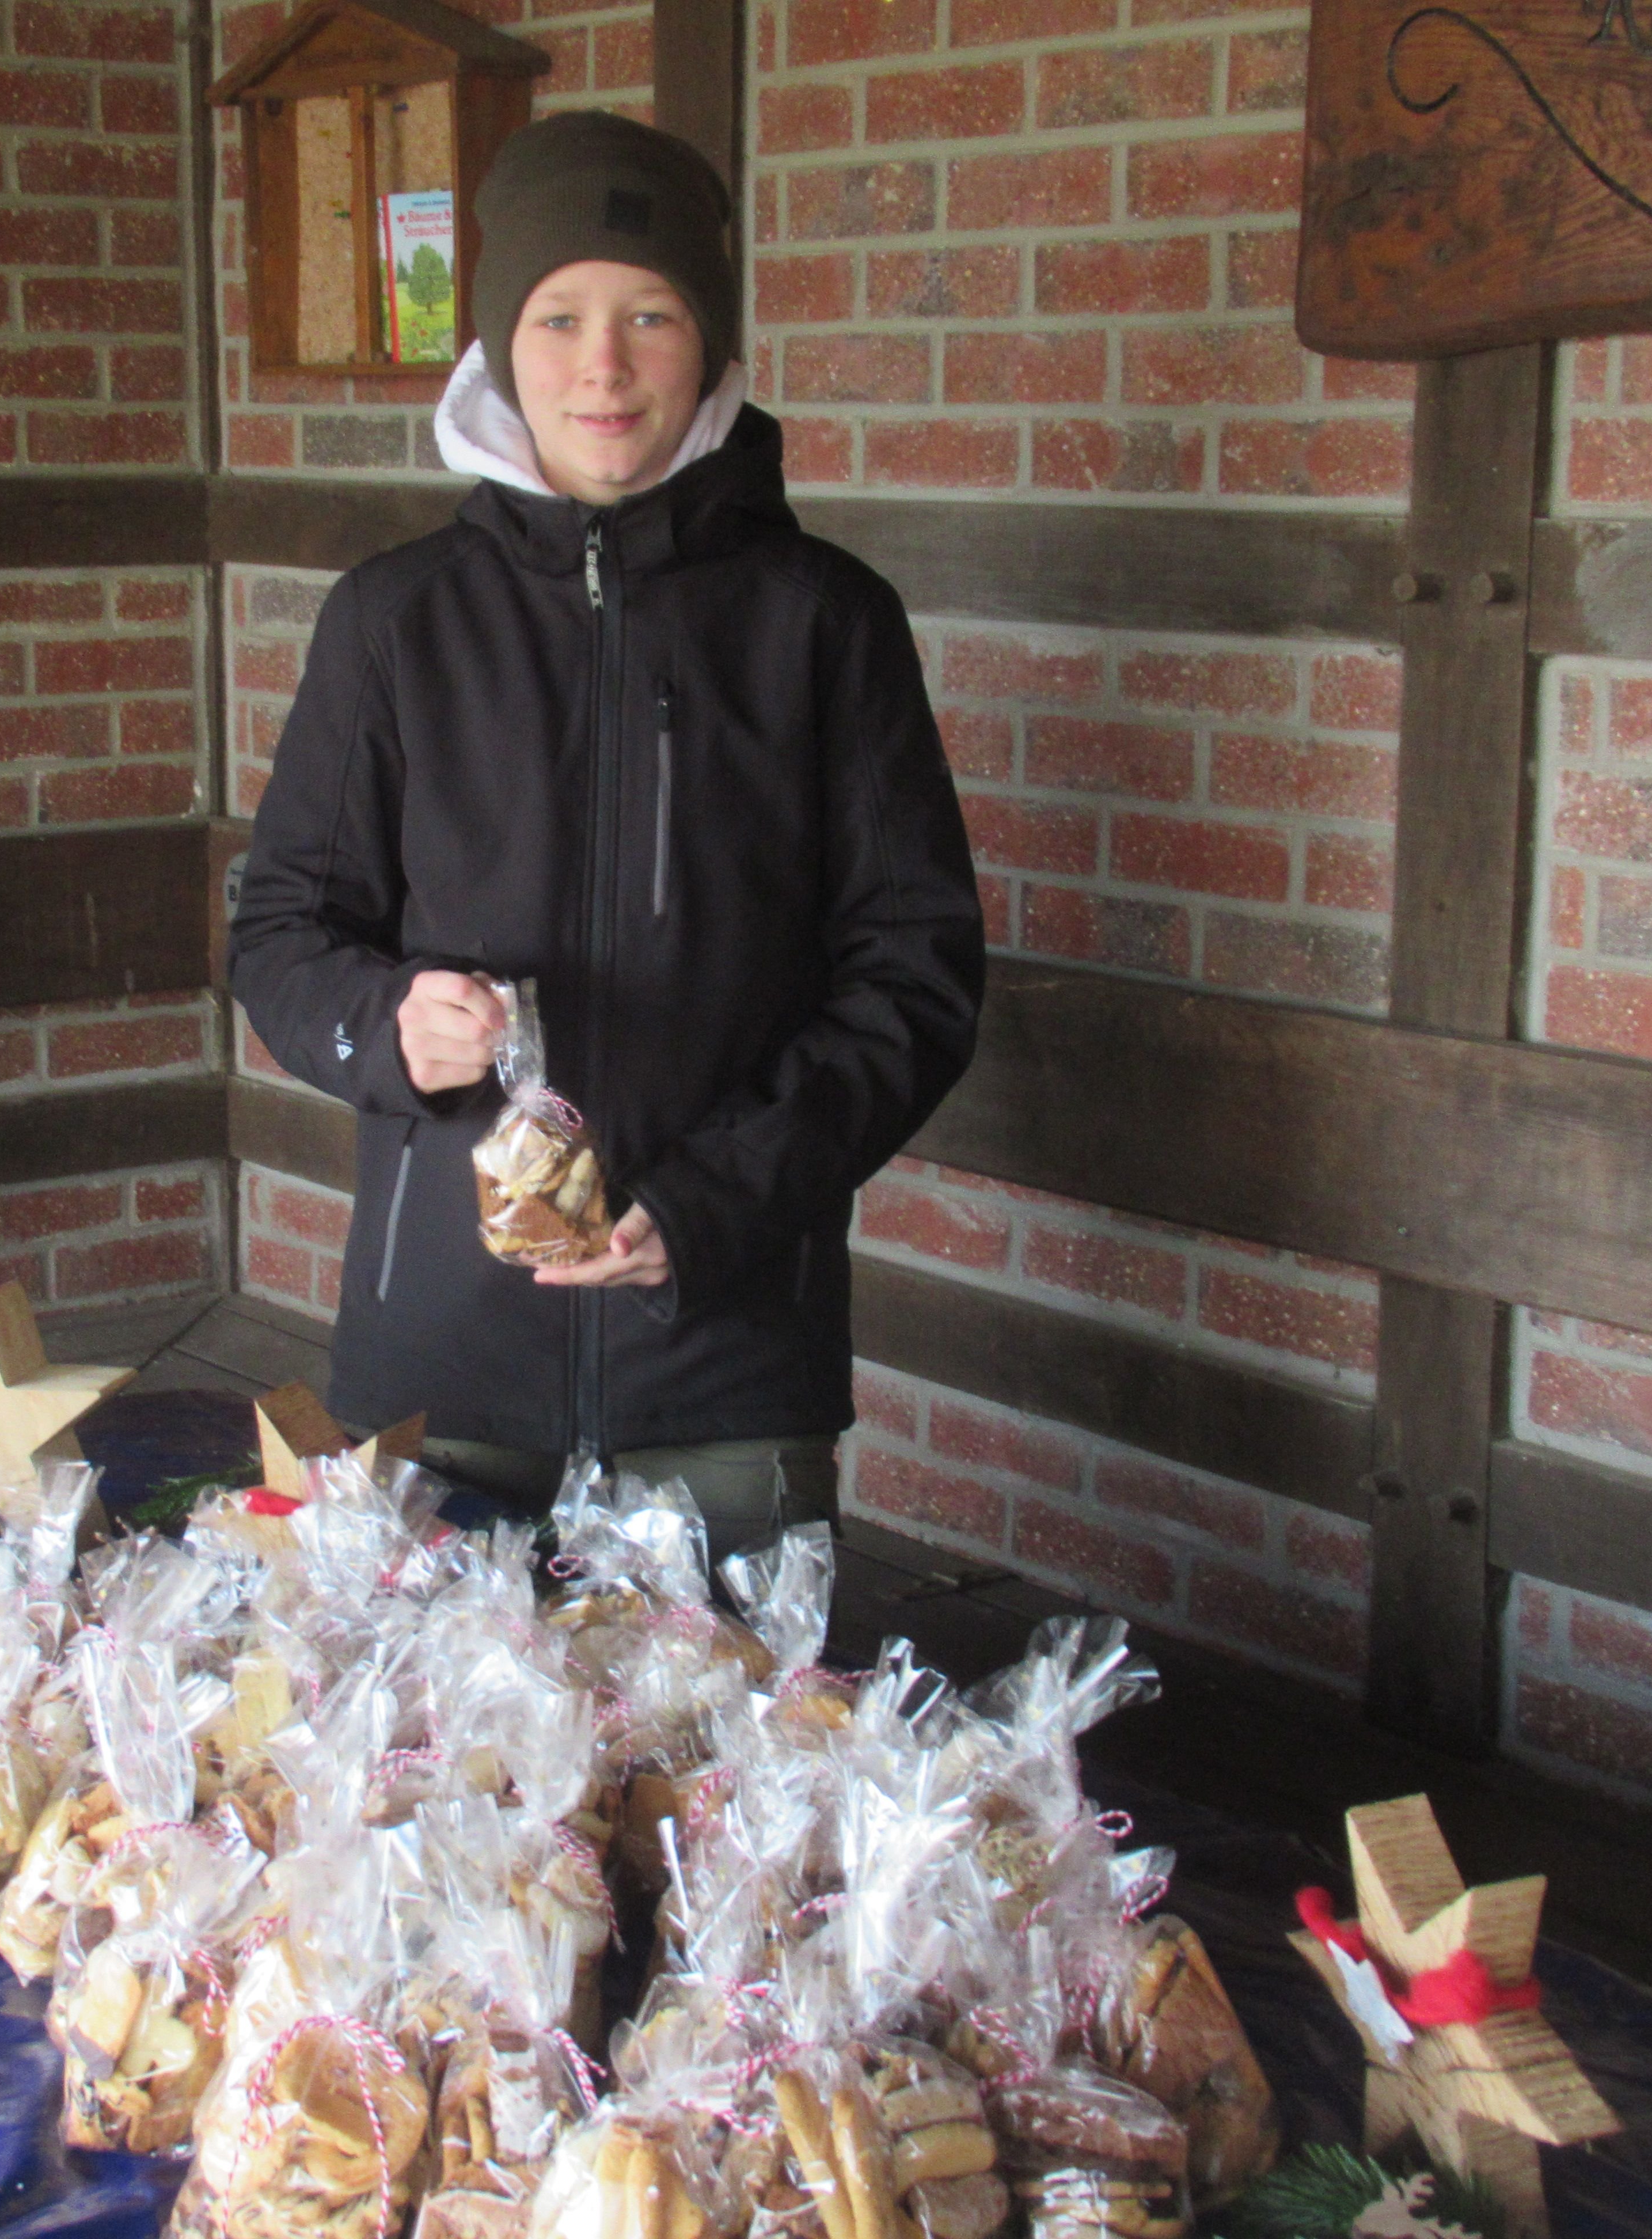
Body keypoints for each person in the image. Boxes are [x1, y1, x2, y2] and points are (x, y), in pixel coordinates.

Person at [229, 112, 986, 1556]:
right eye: (559, 315)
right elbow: (280, 936)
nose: (605, 365)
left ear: (709, 342)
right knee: (423, 1772)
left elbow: (915, 979)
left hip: (724, 1353)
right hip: (440, 1364)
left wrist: (709, 1208)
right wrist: (381, 1024)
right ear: (497, 349)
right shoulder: (395, 623)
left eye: (652, 314)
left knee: (726, 1774)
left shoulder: (826, 624)